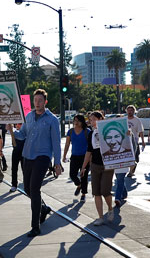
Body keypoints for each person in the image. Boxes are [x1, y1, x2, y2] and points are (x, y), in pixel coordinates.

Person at [9, 89, 63, 237]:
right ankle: (43, 209)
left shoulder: (52, 119)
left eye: (40, 100)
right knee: (27, 188)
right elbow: (22, 135)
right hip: (28, 156)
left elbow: (56, 143)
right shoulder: (29, 116)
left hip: (43, 157)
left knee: (34, 188)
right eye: (35, 100)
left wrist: (57, 163)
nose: (37, 103)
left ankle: (35, 226)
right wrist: (11, 130)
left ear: (45, 102)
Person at [81, 112, 114, 224]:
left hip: (107, 164)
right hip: (95, 165)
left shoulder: (108, 130)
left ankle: (110, 208)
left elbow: (122, 137)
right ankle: (100, 217)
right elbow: (89, 151)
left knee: (105, 190)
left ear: (100, 119)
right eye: (90, 120)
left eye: (94, 119)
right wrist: (84, 166)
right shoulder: (91, 134)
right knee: (96, 192)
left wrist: (128, 133)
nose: (92, 122)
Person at [62, 115, 90, 198]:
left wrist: (90, 159)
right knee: (72, 175)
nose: (76, 122)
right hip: (74, 156)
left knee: (84, 176)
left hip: (84, 157)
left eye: (78, 121)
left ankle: (83, 193)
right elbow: (67, 144)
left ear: (82, 122)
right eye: (75, 120)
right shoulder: (70, 132)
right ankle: (79, 184)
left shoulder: (86, 131)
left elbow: (90, 146)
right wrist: (64, 156)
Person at [125, 105, 145, 178]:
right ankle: (130, 172)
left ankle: (132, 170)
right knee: (127, 157)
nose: (130, 112)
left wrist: (143, 141)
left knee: (135, 157)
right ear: (126, 111)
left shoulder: (137, 120)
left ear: (134, 111)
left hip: (134, 142)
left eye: (131, 110)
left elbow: (141, 132)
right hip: (125, 142)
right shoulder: (124, 119)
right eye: (129, 110)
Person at [8, 123, 25, 193]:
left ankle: (26, 183)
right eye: (16, 124)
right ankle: (14, 184)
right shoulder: (14, 132)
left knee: (25, 169)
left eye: (20, 124)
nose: (17, 125)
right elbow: (14, 144)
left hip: (24, 153)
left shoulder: (25, 133)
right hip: (16, 152)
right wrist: (11, 131)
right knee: (14, 168)